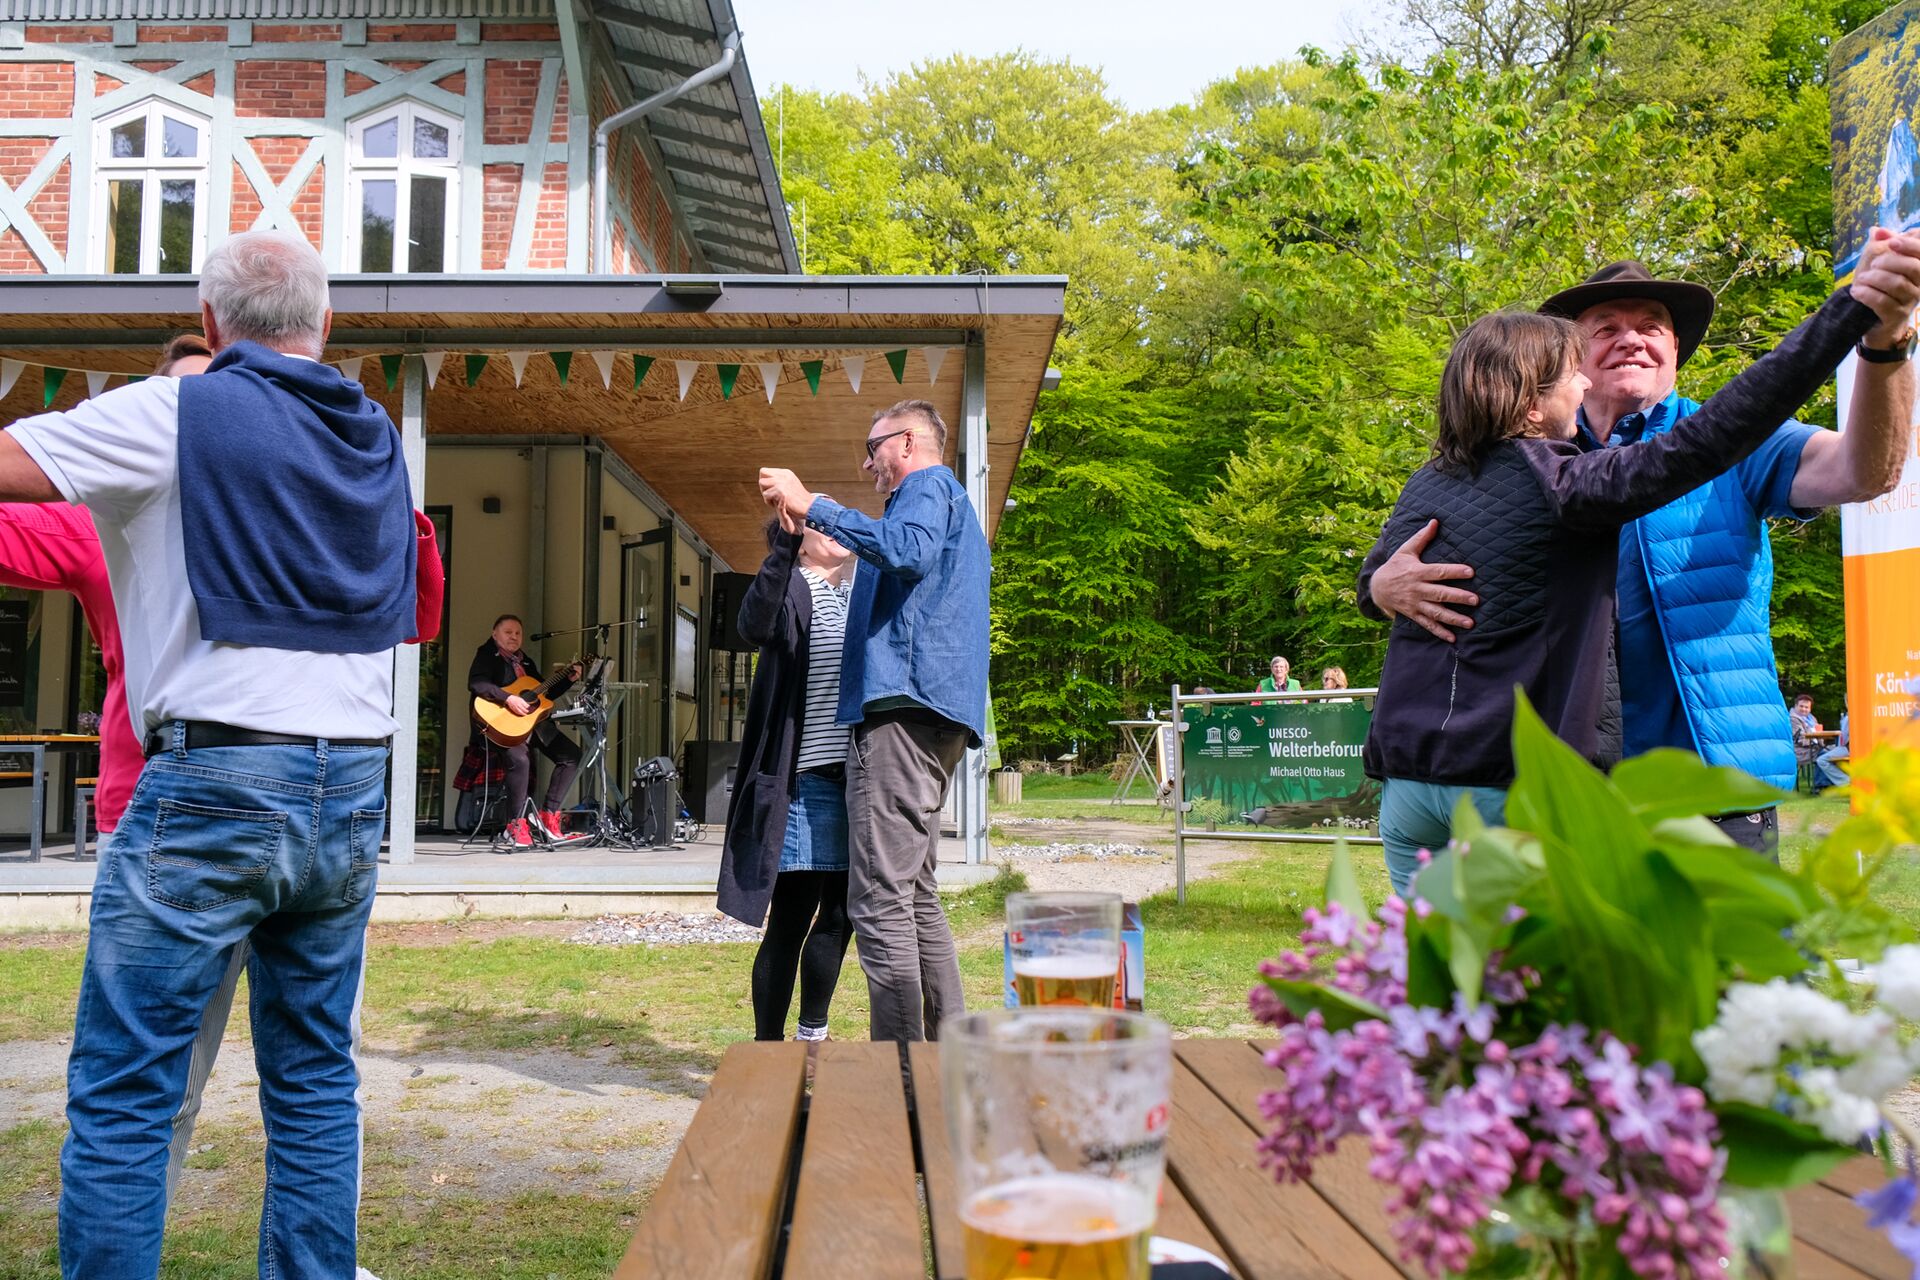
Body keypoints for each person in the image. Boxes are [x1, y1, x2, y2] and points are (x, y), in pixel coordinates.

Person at [0, 229, 417, 1279]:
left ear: (212, 323)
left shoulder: (175, 411)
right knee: (315, 1080)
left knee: (127, 1091)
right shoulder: (372, 435)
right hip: (352, 780)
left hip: (217, 776)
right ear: (327, 324)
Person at [1357, 239, 1920, 896]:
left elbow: (1866, 470)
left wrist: (1882, 343)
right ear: (1568, 364)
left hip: (1707, 790)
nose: (1631, 339)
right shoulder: (1530, 463)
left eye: (1651, 326)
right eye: (1606, 329)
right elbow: (1396, 561)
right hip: (1566, 788)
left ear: (1676, 349)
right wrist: (1381, 585)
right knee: (1558, 961)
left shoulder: (1733, 441)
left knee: (1723, 964)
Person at [758, 398, 989, 1043]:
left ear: (907, 442)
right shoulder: (950, 502)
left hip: (900, 721)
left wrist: (814, 505)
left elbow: (905, 550)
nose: (868, 464)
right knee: (915, 894)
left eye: (873, 447)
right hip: (933, 718)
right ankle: (946, 1055)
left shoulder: (926, 489)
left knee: (880, 900)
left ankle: (901, 1070)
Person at [717, 511, 857, 1042]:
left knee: (841, 916)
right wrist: (782, 547)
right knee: (792, 919)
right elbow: (752, 624)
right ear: (800, 541)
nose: (837, 530)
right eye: (823, 524)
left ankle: (812, 1035)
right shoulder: (792, 587)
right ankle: (769, 1052)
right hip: (806, 782)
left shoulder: (856, 595)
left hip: (858, 783)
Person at [464, 613, 585, 850]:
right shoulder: (487, 654)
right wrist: (508, 698)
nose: (514, 637)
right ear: (495, 634)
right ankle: (515, 826)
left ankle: (548, 817)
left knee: (571, 755)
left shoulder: (525, 662)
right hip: (498, 725)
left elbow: (543, 693)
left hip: (531, 724)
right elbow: (477, 683)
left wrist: (568, 679)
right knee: (520, 760)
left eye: (518, 633)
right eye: (508, 632)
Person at [1815, 710, 1850, 793]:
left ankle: (1847, 782)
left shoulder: (1848, 717)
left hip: (1849, 748)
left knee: (1821, 758)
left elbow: (1844, 736)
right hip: (1807, 748)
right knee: (1823, 753)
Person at [1789, 692, 1822, 765]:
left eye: (1806, 707)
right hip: (1799, 751)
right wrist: (1817, 744)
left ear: (1810, 709)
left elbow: (1820, 737)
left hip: (1813, 749)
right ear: (1795, 706)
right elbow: (1800, 739)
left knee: (1831, 753)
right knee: (1825, 756)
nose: (1803, 709)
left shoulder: (1812, 719)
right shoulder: (1793, 719)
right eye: (1801, 706)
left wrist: (1821, 743)